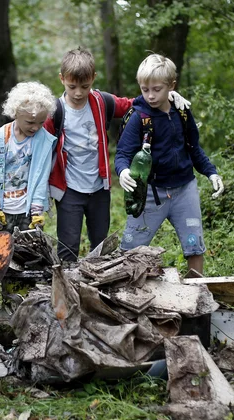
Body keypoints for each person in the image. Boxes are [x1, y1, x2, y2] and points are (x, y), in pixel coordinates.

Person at [43, 47, 191, 262]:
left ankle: (97, 288)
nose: (78, 93)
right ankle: (66, 291)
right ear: (62, 79)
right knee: (68, 245)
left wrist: (169, 95)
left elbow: (136, 104)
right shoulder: (55, 111)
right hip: (69, 190)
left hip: (99, 188)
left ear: (93, 78)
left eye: (85, 86)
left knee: (101, 246)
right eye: (72, 86)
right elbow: (39, 149)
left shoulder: (102, 102)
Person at [115, 54, 225, 278]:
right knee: (129, 249)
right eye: (145, 89)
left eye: (156, 89)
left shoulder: (182, 112)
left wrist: (211, 172)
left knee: (194, 243)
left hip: (185, 189)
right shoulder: (139, 117)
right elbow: (123, 153)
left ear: (171, 86)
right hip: (150, 193)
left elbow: (194, 148)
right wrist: (123, 170)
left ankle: (197, 292)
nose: (150, 95)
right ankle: (125, 294)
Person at [0, 81, 57, 239]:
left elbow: (42, 178)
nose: (35, 127)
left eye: (41, 123)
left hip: (27, 212)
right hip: (1, 210)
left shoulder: (44, 141)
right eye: (30, 122)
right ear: (15, 113)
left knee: (30, 255)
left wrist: (37, 209)